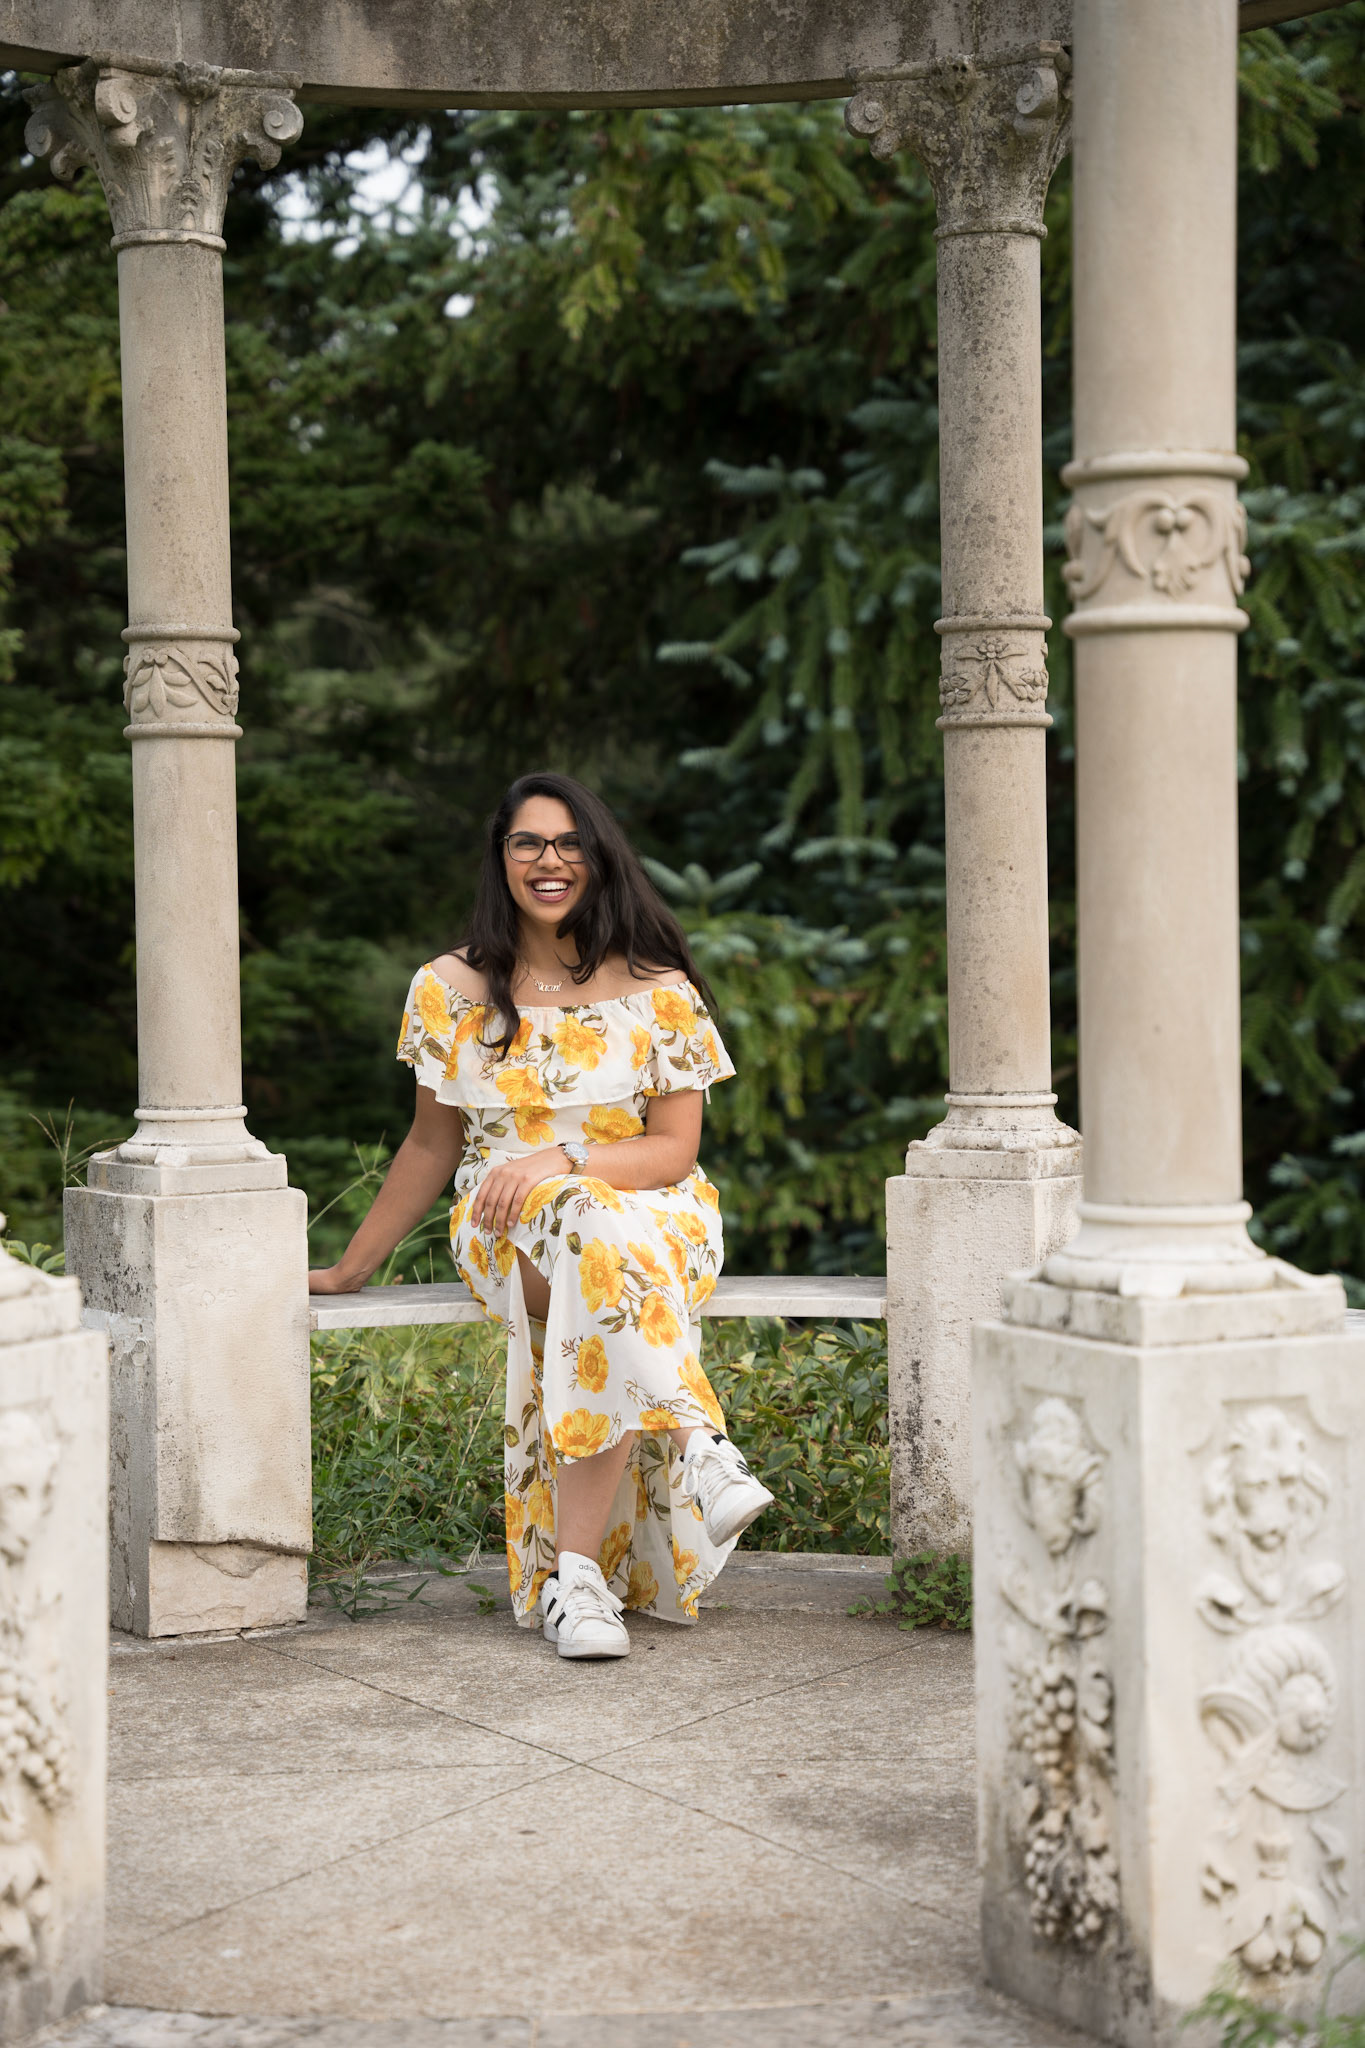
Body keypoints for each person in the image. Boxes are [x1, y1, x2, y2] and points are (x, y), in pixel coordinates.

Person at [309, 771, 774, 1659]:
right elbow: (430, 1145)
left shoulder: (658, 987)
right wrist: (350, 1268)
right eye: (527, 842)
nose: (548, 861)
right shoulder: (449, 987)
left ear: (598, 859)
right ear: (501, 858)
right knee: (584, 1234)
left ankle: (578, 1587)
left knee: (592, 1239)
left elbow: (673, 1151)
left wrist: (562, 1158)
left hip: (656, 1215)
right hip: (503, 1228)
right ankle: (698, 1445)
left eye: (568, 844)